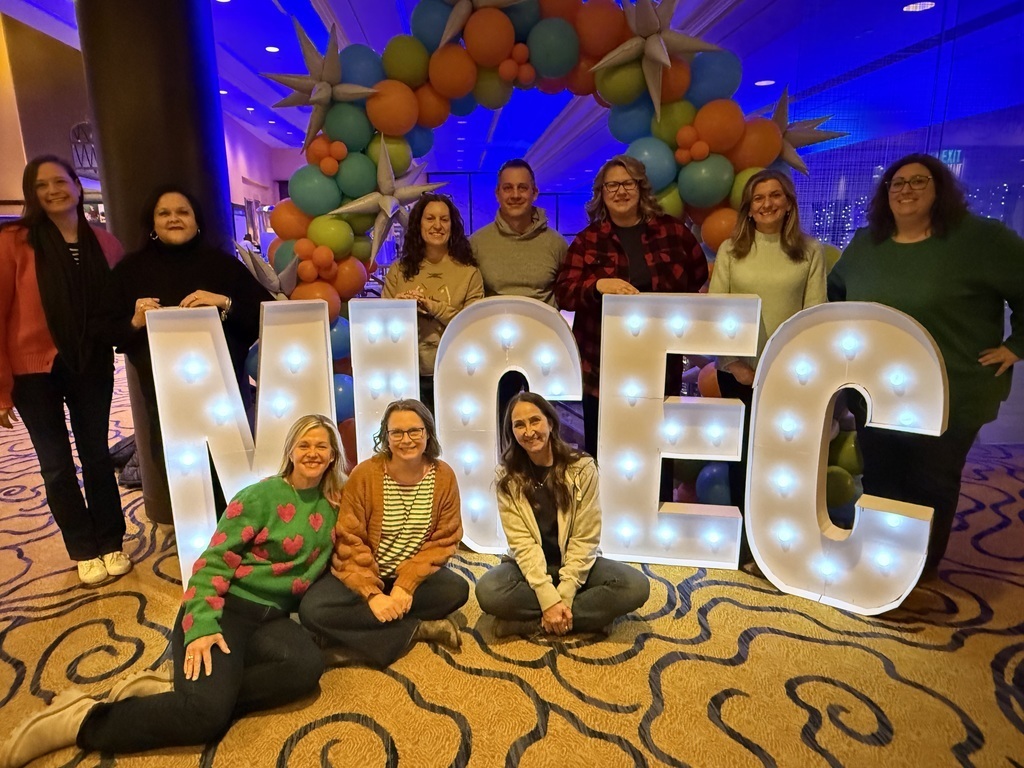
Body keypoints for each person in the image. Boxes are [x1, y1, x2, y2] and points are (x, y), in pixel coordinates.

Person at [1, 414, 348, 766]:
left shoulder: (335, 505)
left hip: (273, 618)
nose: (313, 453)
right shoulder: (260, 496)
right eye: (304, 444)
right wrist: (202, 625)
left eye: (322, 446)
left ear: (333, 455)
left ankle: (187, 687)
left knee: (305, 668)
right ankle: (82, 722)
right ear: (290, 451)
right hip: (226, 607)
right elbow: (212, 564)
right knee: (204, 716)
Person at [828, 153, 1024, 572]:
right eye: (897, 183)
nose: (906, 190)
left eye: (918, 181)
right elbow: (835, 294)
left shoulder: (980, 240)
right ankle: (881, 567)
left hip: (951, 389)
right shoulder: (867, 243)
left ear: (940, 189)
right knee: (881, 478)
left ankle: (920, 571)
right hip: (876, 390)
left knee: (931, 482)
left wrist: (1016, 346)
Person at [0, 155, 128, 585]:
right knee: (55, 464)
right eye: (41, 185)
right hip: (33, 371)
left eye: (60, 181)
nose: (53, 190)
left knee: (96, 456)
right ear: (31, 193)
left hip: (91, 362)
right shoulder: (13, 241)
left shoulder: (106, 243)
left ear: (76, 185)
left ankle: (110, 541)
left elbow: (115, 306)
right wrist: (1, 390)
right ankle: (83, 548)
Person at [111, 186, 272, 519]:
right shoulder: (130, 270)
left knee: (231, 467)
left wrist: (225, 302)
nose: (174, 219)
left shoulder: (223, 266)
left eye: (182, 212)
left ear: (197, 220)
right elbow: (108, 329)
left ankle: (236, 531)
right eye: (164, 213)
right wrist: (135, 321)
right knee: (179, 469)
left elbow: (265, 314)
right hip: (164, 392)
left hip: (223, 391)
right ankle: (194, 534)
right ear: (152, 223)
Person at [555, 154, 708, 461]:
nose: (620, 191)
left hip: (659, 364)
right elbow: (564, 293)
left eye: (628, 183)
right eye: (612, 185)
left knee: (659, 450)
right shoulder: (587, 241)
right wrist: (598, 285)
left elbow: (698, 276)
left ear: (641, 188)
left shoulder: (673, 232)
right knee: (604, 452)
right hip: (601, 369)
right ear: (601, 193)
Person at [299, 399, 469, 668]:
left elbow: (445, 540)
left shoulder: (444, 476)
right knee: (312, 611)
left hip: (411, 577)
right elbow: (349, 539)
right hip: (366, 572)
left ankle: (350, 639)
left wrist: (406, 584)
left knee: (457, 590)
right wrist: (372, 594)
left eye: (414, 431)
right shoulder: (365, 474)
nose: (406, 439)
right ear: (386, 437)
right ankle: (416, 630)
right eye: (397, 432)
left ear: (428, 433)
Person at [475, 392, 649, 638]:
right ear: (512, 432)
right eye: (519, 425)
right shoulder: (507, 477)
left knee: (635, 586)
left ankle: (534, 623)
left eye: (535, 421)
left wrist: (564, 595)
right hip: (530, 568)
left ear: (550, 423)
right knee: (489, 590)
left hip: (575, 564)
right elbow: (522, 544)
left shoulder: (582, 468)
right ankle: (584, 619)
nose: (529, 431)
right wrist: (547, 596)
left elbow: (585, 538)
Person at [708, 170, 826, 515]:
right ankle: (745, 530)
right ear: (749, 208)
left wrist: (787, 371)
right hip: (738, 374)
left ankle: (778, 527)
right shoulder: (731, 250)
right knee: (742, 457)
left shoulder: (810, 251)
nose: (767, 204)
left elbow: (814, 315)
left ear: (788, 203)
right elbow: (717, 311)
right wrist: (734, 365)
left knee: (783, 458)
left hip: (788, 376)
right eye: (758, 198)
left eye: (775, 195)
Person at [471, 159, 568, 420]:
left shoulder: (556, 245)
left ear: (534, 193)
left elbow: (567, 292)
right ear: (498, 193)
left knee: (544, 423)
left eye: (522, 188)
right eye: (508, 188)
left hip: (544, 352)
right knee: (499, 421)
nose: (515, 195)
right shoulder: (477, 244)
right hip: (494, 352)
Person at [382, 194, 484, 413]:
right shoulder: (398, 271)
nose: (437, 225)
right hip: (406, 375)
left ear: (452, 226)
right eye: (430, 218)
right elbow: (383, 325)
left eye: (444, 219)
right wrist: (398, 309)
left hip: (455, 373)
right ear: (418, 224)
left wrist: (432, 306)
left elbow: (472, 327)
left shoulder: (469, 273)